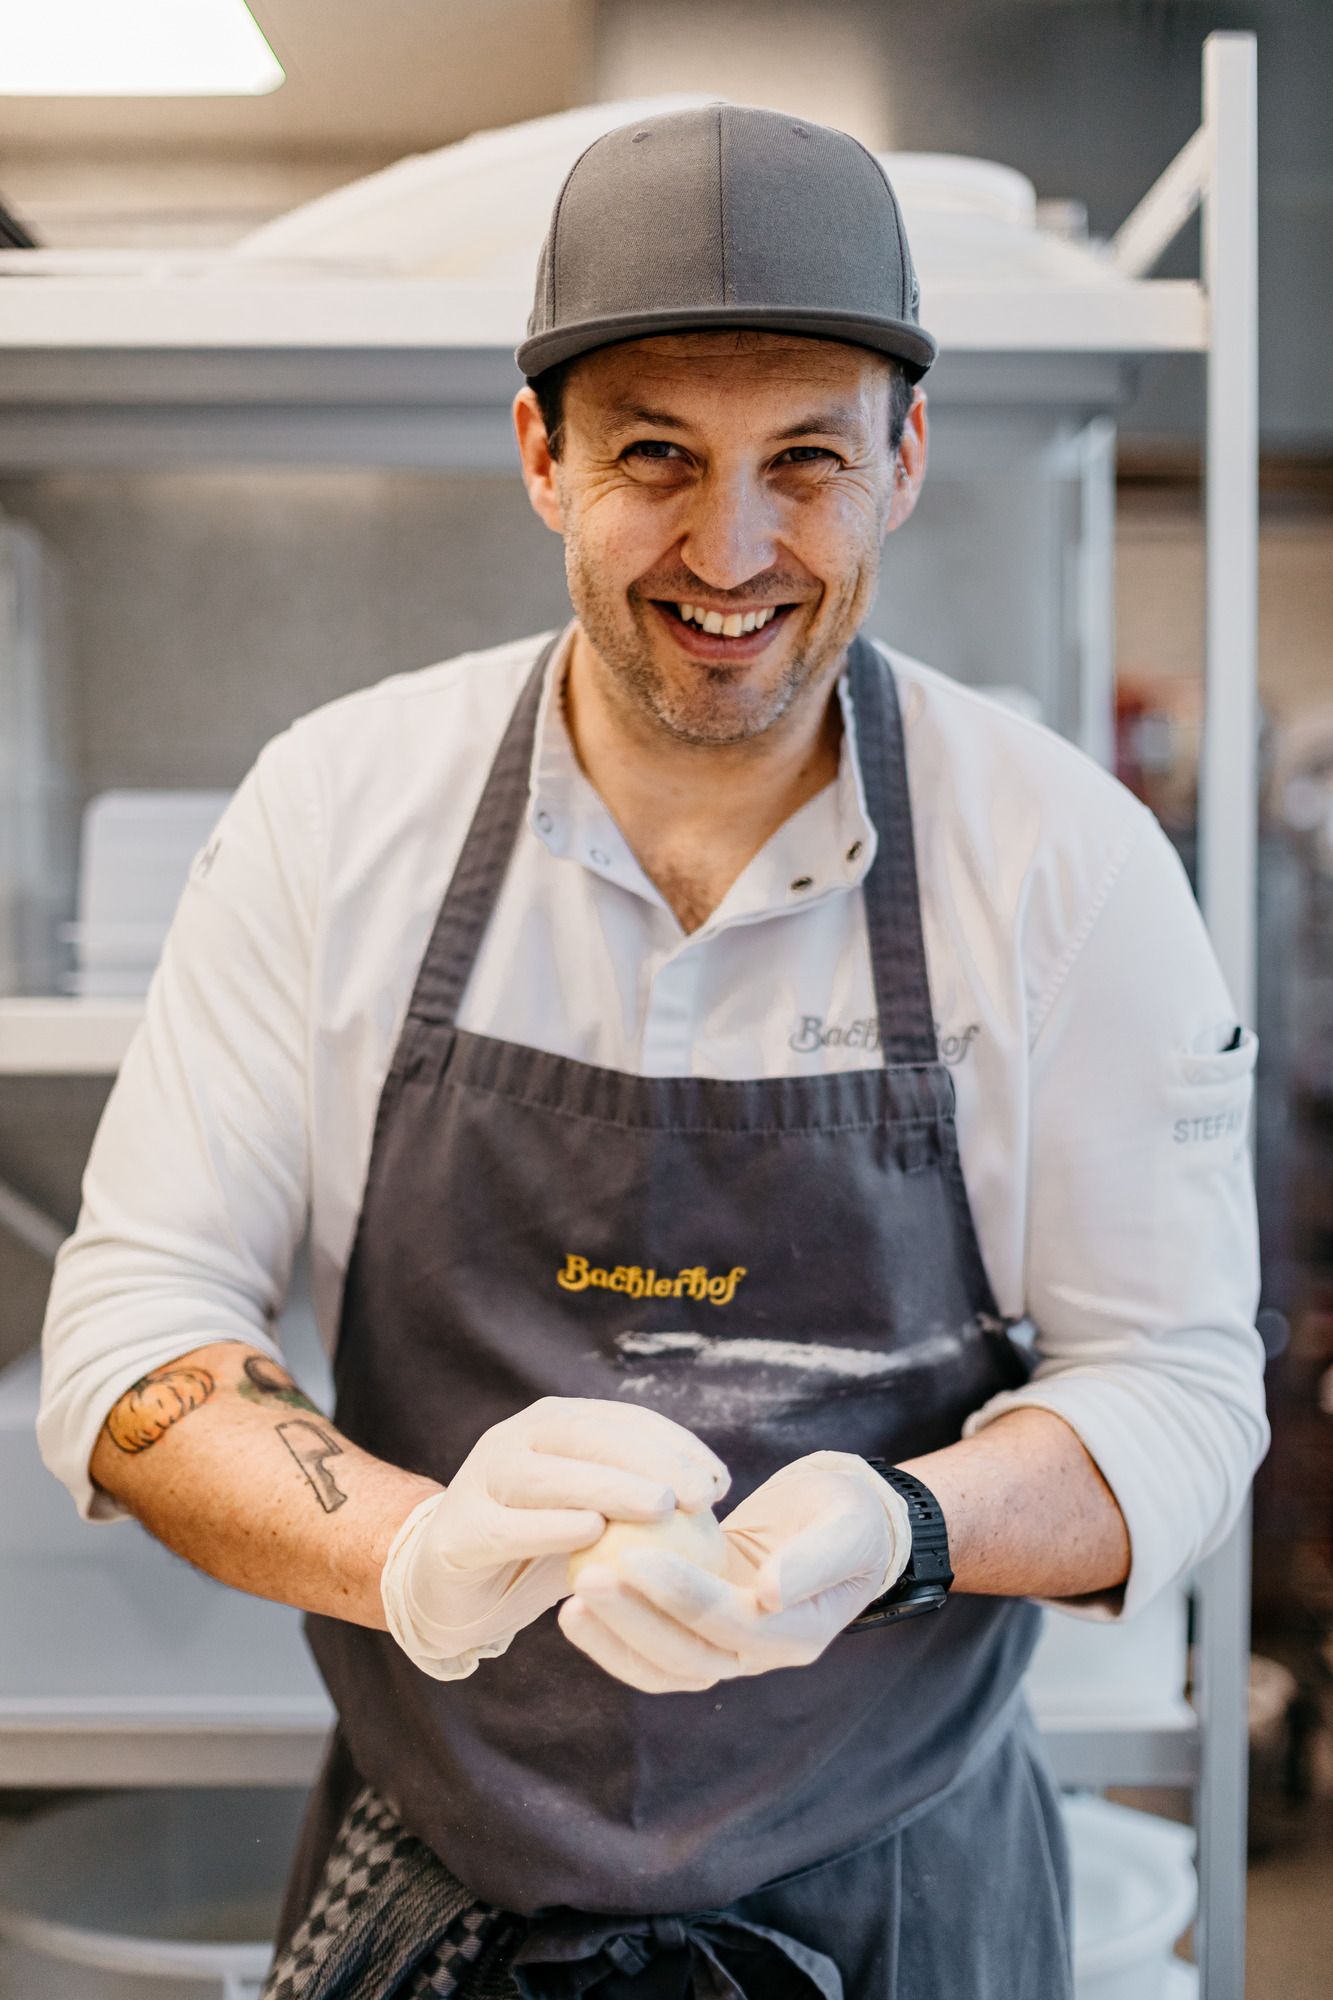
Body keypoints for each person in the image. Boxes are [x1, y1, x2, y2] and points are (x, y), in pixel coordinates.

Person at [38, 104, 1268, 1999]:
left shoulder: (1060, 859)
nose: (732, 547)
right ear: (538, 455)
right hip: (436, 1857)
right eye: (653, 459)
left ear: (904, 459)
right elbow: (134, 1332)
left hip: (904, 1883)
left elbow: (1178, 1385)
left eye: (804, 460)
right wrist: (414, 1557)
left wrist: (902, 1527)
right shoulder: (336, 814)